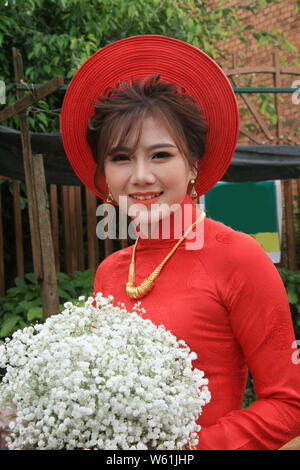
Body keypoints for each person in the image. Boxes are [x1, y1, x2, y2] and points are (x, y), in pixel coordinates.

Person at [61, 35, 300, 450]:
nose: (140, 176)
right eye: (120, 158)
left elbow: (290, 404)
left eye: (160, 155)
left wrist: (186, 448)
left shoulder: (238, 256)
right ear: (105, 177)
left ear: (192, 165)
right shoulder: (110, 272)